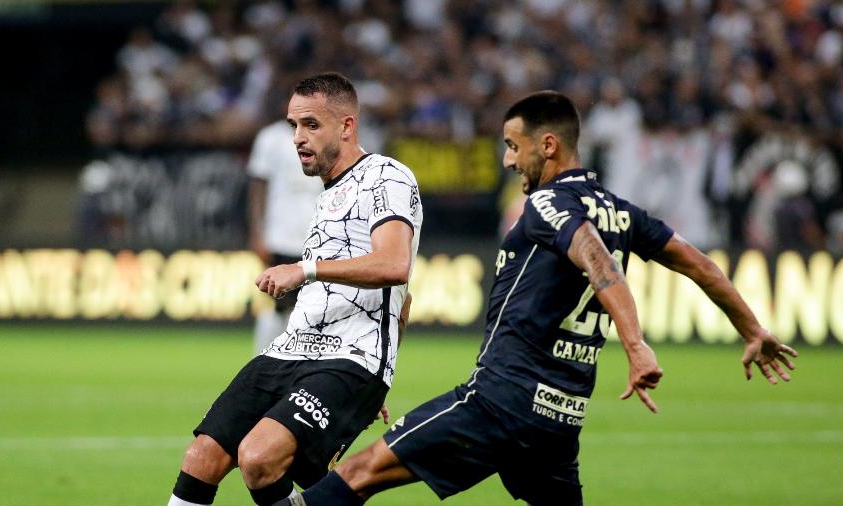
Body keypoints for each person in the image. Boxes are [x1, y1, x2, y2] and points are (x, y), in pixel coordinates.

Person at [277, 91, 798, 506]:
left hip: (500, 400)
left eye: (512, 145)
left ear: (547, 146)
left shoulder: (548, 204)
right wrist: (752, 329)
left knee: (357, 475)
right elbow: (701, 264)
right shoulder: (621, 210)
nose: (507, 160)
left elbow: (597, 261)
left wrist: (636, 345)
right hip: (558, 417)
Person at [167, 72, 423, 506]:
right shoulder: (327, 195)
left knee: (259, 457)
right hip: (289, 350)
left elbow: (395, 265)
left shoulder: (386, 176)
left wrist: (304, 270)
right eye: (292, 125)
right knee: (201, 457)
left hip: (348, 357)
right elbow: (405, 301)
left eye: (311, 125)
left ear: (346, 126)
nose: (298, 138)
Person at [247, 117, 324, 354]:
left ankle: (297, 359)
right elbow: (258, 188)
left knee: (314, 304)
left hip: (318, 235)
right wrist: (257, 232)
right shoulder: (270, 137)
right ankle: (263, 357)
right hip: (280, 234)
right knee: (279, 302)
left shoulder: (325, 135)